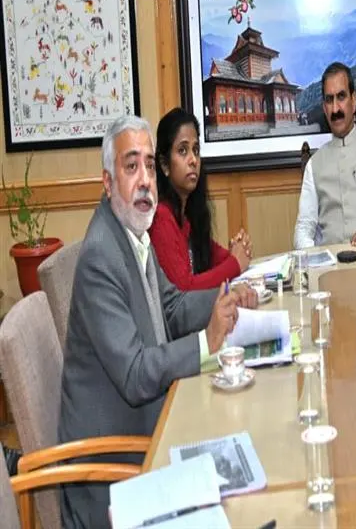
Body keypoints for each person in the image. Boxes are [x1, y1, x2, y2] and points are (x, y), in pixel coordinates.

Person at [58, 115, 257, 529]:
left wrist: (224, 298)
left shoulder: (135, 231)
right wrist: (206, 343)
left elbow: (170, 307)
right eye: (132, 167)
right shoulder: (101, 256)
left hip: (151, 429)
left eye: (149, 165)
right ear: (108, 182)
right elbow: (133, 375)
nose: (146, 179)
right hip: (112, 471)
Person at [149, 108, 252, 290]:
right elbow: (184, 290)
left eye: (196, 150)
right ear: (164, 165)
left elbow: (219, 258)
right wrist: (235, 262)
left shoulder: (188, 216)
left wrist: (238, 248)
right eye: (182, 150)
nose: (193, 160)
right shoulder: (161, 217)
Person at [293, 62, 356, 248]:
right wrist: (313, 259)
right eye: (329, 100)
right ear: (324, 108)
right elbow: (304, 225)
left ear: (354, 101)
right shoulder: (314, 164)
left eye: (341, 97)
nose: (335, 109)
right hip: (327, 267)